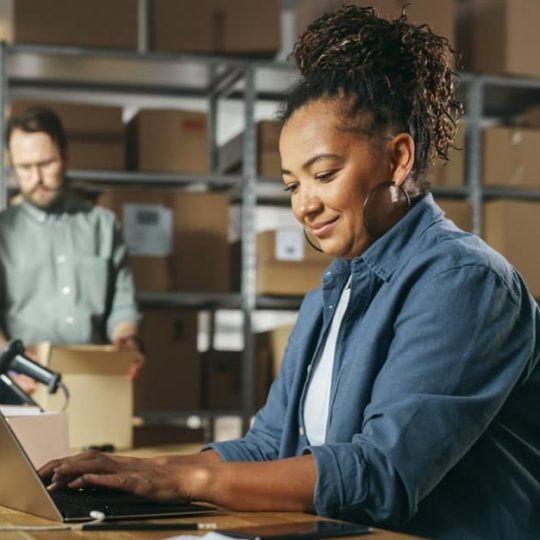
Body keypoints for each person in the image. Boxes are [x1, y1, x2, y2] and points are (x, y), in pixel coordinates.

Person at [38, 6, 539, 539]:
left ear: (397, 159)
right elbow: (269, 446)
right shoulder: (332, 292)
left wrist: (182, 481)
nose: (305, 205)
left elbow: (381, 475)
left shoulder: (465, 282)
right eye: (292, 186)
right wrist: (143, 472)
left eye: (323, 174)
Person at [0, 106, 144, 390]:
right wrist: (9, 360)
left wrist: (126, 336)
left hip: (94, 378)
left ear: (66, 157)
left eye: (45, 163)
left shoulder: (103, 225)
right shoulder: (2, 232)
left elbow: (122, 303)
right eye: (25, 168)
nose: (36, 178)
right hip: (23, 383)